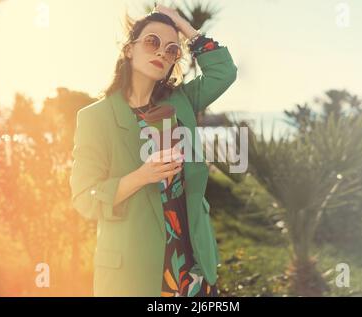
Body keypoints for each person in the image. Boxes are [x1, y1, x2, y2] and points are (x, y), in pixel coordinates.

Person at [69, 4, 237, 296]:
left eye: (172, 50)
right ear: (129, 50)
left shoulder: (181, 100)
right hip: (135, 275)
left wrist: (180, 22)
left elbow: (224, 72)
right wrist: (141, 176)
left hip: (192, 267)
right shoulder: (95, 117)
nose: (162, 52)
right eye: (151, 42)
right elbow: (85, 198)